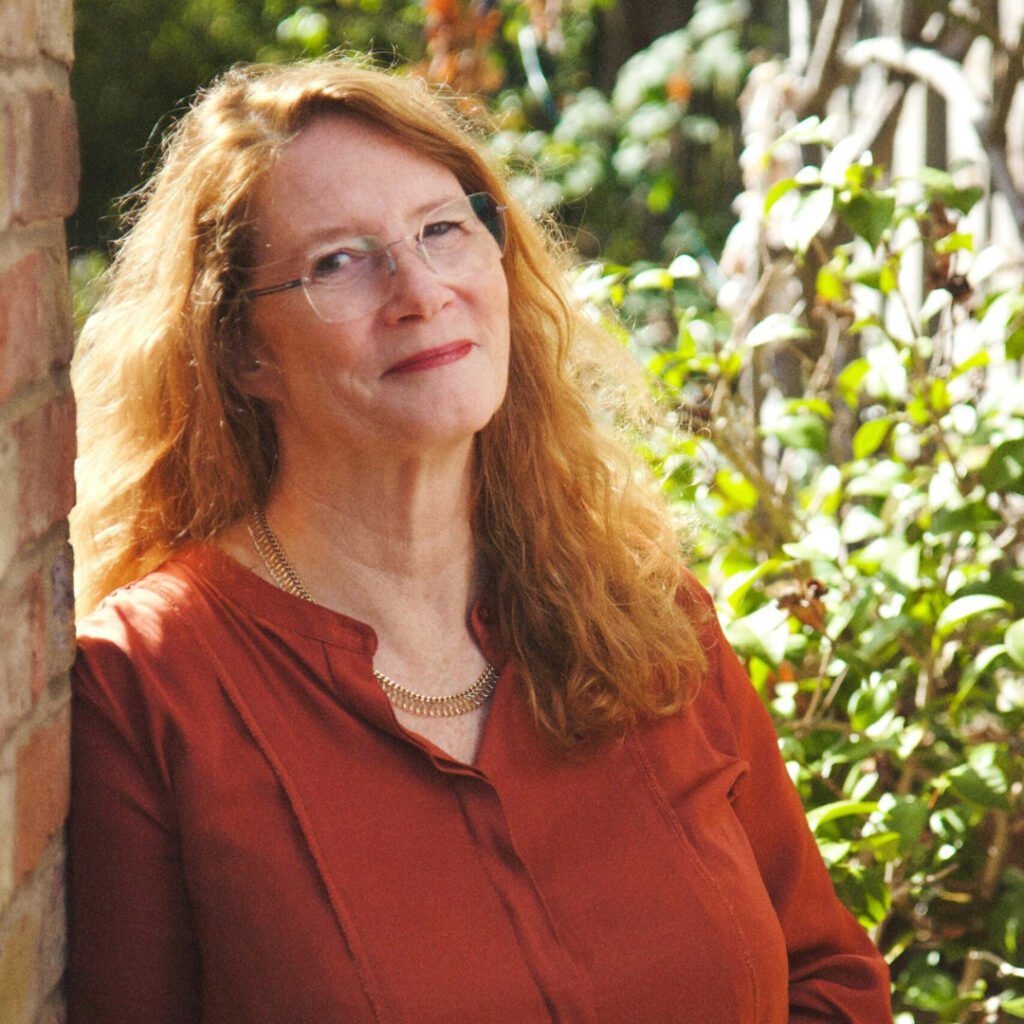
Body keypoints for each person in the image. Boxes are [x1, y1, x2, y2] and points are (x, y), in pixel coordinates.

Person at [69, 56, 894, 1024]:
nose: (419, 290)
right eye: (338, 259)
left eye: (441, 230)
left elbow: (827, 981)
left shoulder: (647, 617)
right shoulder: (147, 688)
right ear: (242, 351)